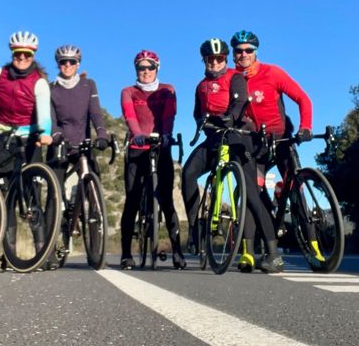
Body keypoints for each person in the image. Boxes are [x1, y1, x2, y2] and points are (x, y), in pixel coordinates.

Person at [181, 38, 282, 273]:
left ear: (225, 59)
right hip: (214, 138)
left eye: (219, 59)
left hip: (238, 136)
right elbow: (197, 113)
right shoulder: (201, 86)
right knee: (188, 173)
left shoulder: (234, 77)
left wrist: (231, 117)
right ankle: (195, 229)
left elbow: (241, 100)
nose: (215, 63)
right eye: (211, 59)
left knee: (252, 194)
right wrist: (203, 123)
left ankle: (273, 253)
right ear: (205, 60)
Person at [230, 30, 318, 266]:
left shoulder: (272, 72)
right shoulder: (233, 79)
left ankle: (316, 249)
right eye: (239, 51)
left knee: (297, 189)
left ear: (255, 52)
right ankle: (248, 251)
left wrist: (306, 127)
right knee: (252, 192)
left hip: (281, 138)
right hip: (255, 143)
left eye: (249, 50)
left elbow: (303, 98)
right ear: (233, 54)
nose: (244, 54)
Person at [120, 50, 185, 270]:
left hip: (160, 147)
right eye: (141, 67)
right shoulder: (128, 92)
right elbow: (129, 115)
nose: (146, 71)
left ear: (157, 68)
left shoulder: (168, 90)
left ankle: (177, 252)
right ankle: (126, 254)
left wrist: (166, 135)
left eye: (150, 67)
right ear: (136, 69)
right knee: (132, 199)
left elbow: (169, 116)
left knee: (167, 201)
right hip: (137, 149)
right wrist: (137, 133)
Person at [0, 30, 52, 185]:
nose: (22, 57)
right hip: (4, 137)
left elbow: (44, 113)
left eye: (27, 54)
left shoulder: (39, 82)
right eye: (17, 53)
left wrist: (45, 133)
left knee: (33, 187)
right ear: (12, 54)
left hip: (30, 139)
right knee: (5, 187)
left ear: (32, 56)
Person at [48, 44, 109, 204]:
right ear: (58, 64)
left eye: (72, 61)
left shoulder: (88, 85)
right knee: (54, 196)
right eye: (63, 61)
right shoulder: (51, 88)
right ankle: (56, 216)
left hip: (82, 144)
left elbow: (95, 113)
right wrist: (56, 135)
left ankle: (93, 217)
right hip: (59, 144)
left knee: (94, 189)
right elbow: (51, 119)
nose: (68, 65)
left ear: (78, 64)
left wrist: (102, 133)